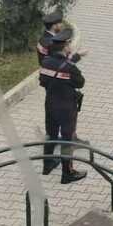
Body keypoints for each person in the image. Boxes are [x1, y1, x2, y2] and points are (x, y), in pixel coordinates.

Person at [40, 29, 87, 183]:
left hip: (50, 104)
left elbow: (43, 82)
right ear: (65, 47)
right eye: (68, 44)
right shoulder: (69, 68)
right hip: (66, 107)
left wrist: (75, 58)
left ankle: (47, 165)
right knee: (67, 138)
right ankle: (68, 173)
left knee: (51, 134)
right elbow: (80, 82)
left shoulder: (45, 62)